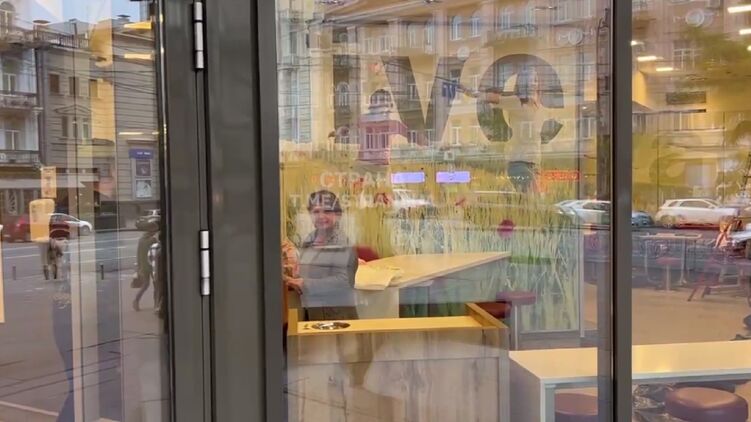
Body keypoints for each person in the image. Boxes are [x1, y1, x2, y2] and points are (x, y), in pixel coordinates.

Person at [461, 66, 560, 193]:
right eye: (528, 81)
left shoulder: (539, 107)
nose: (532, 84)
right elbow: (492, 97)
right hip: (519, 162)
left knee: (533, 199)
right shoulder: (516, 102)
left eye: (535, 80)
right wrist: (470, 91)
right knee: (534, 197)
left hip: (535, 163)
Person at [298, 190, 359, 321]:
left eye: (327, 211)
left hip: (336, 317)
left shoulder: (342, 242)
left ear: (337, 215)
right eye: (316, 211)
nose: (321, 216)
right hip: (313, 313)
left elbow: (344, 281)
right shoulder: (310, 239)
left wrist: (304, 284)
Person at [132, 219, 160, 312]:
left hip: (143, 266)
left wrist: (138, 267)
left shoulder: (141, 240)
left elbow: (138, 254)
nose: (156, 232)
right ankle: (156, 305)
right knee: (156, 286)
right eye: (155, 230)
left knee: (145, 285)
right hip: (152, 266)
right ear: (152, 230)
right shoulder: (153, 240)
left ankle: (136, 300)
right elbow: (155, 253)